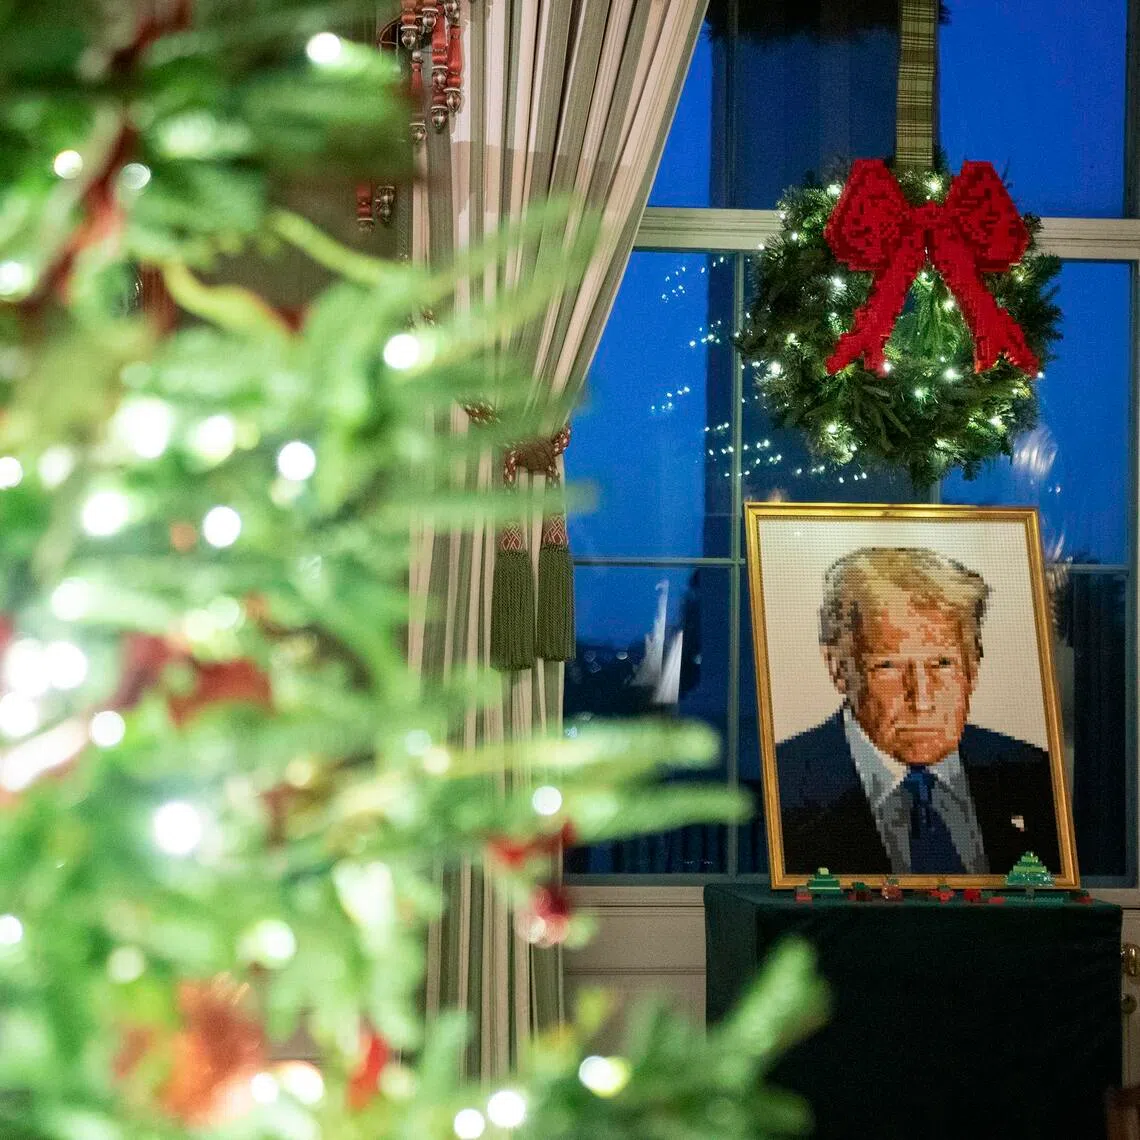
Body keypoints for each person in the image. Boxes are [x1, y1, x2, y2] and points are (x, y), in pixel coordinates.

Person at [776, 546, 1061, 876]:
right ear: (839, 669)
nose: (922, 699)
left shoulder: (1031, 774)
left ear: (972, 668)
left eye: (942, 664)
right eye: (889, 666)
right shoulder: (781, 784)